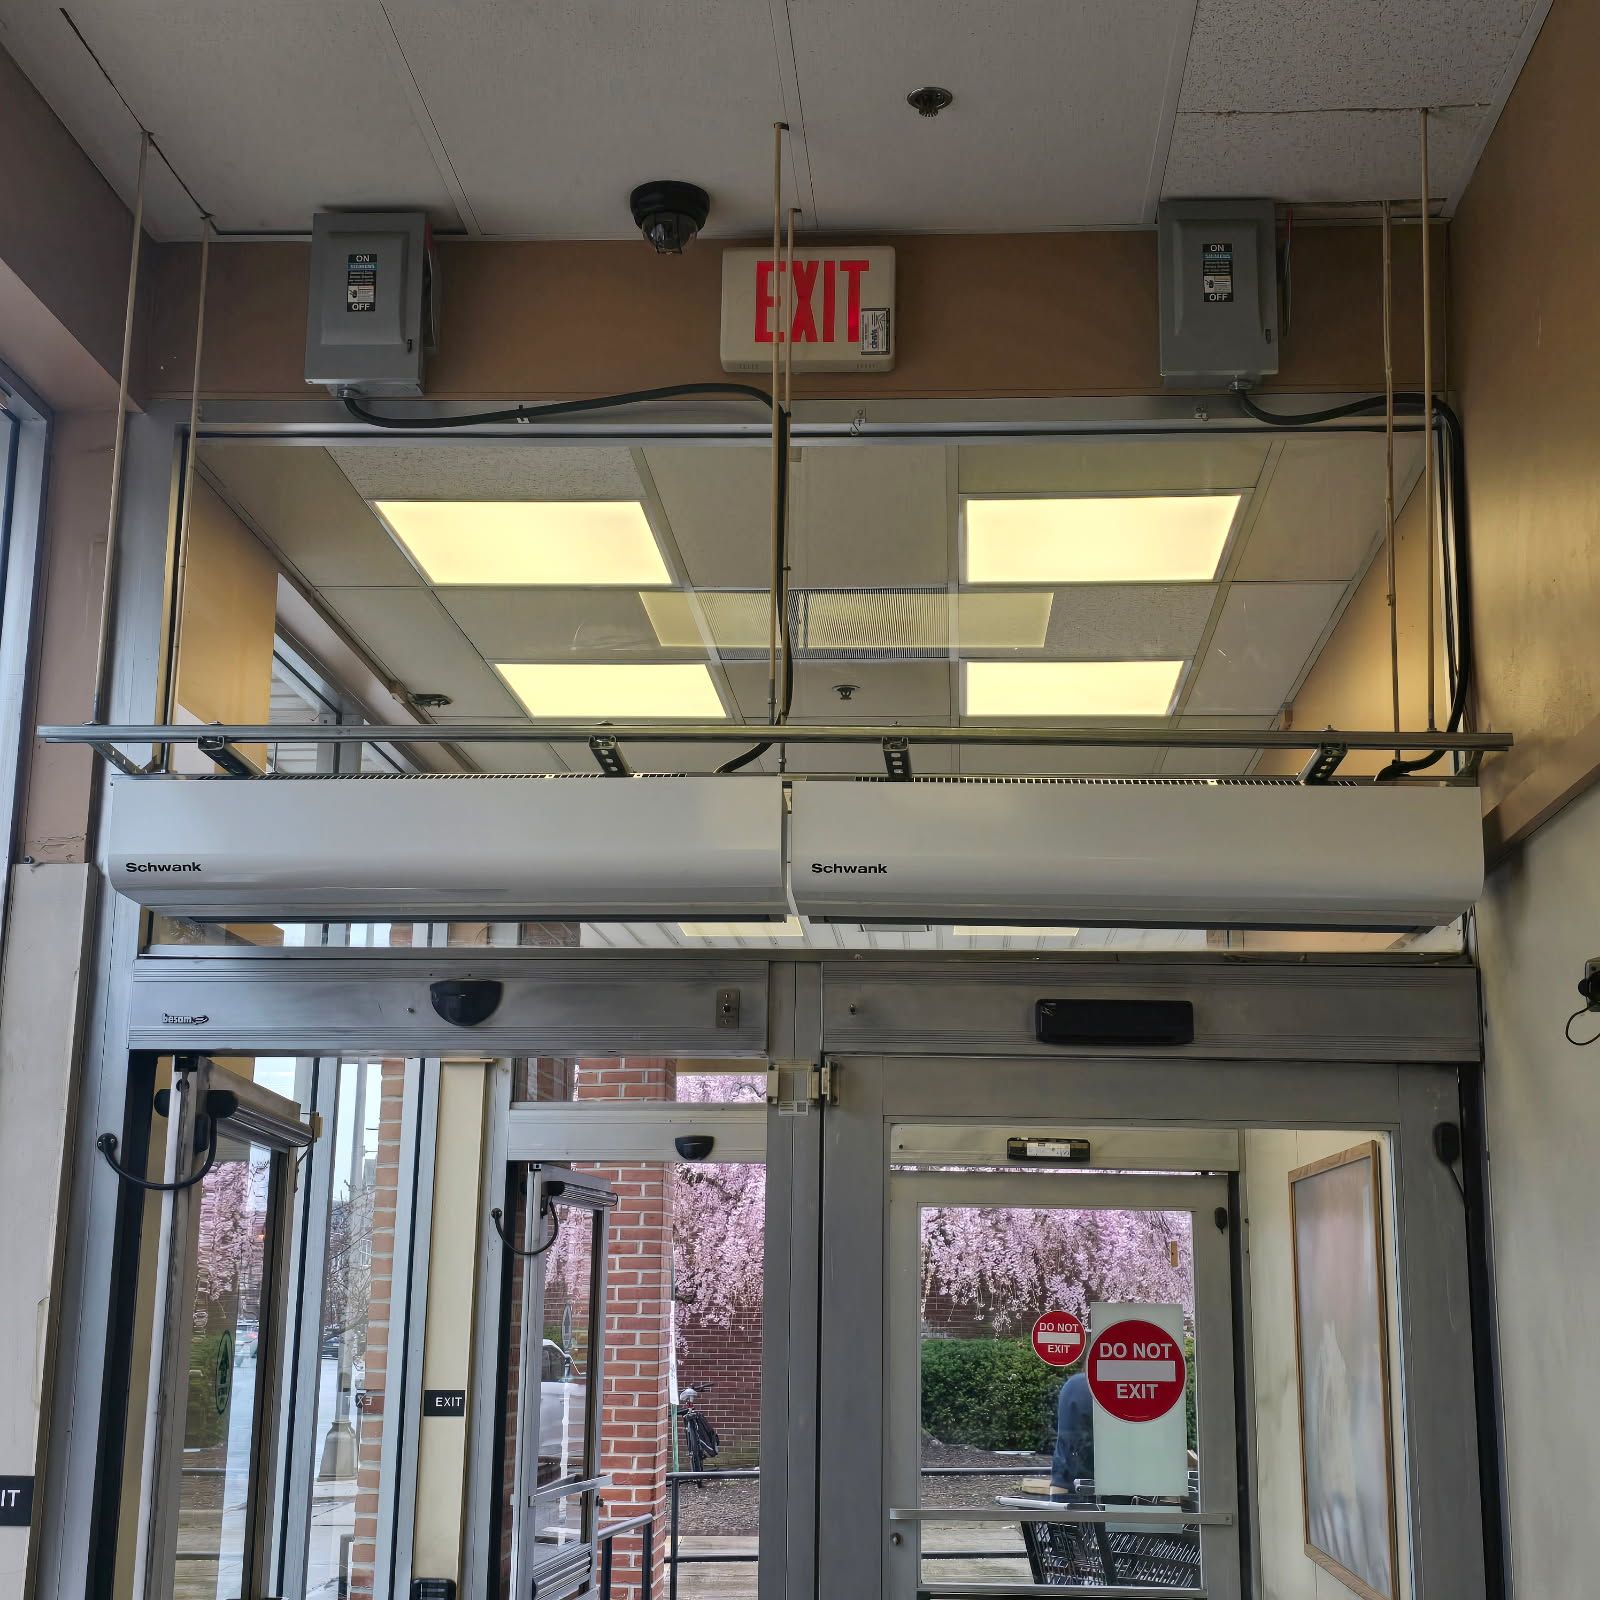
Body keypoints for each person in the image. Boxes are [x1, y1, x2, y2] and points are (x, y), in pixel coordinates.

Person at [1050, 1371, 1094, 1498]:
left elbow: (1067, 1447)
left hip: (1072, 1487)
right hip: (1130, 1495)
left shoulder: (1076, 1385)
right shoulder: (1142, 1389)